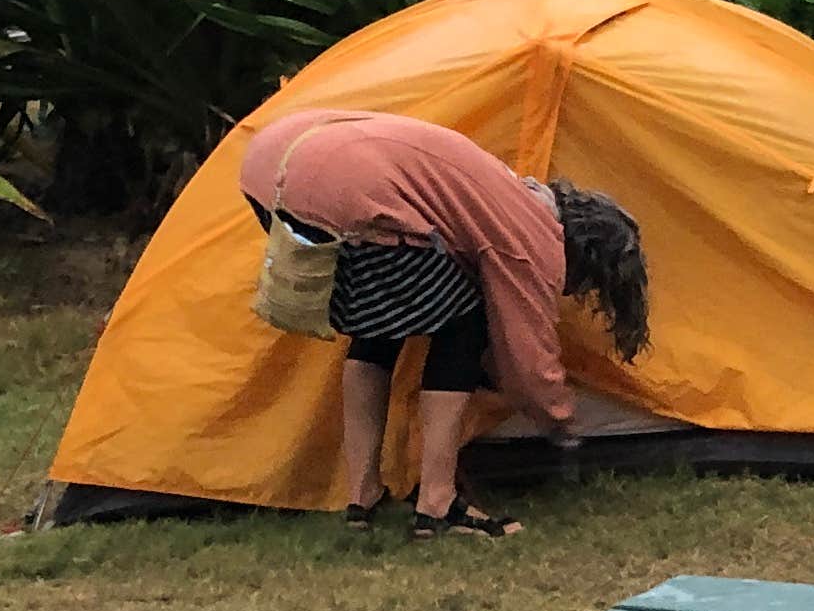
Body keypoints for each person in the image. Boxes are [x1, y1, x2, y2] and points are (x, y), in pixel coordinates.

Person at [242, 110, 650, 539]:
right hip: (344, 187)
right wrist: (561, 420)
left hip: (271, 166)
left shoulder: (505, 185)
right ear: (583, 253)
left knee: (380, 323)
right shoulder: (533, 233)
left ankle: (362, 495)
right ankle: (437, 504)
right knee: (465, 322)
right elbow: (524, 352)